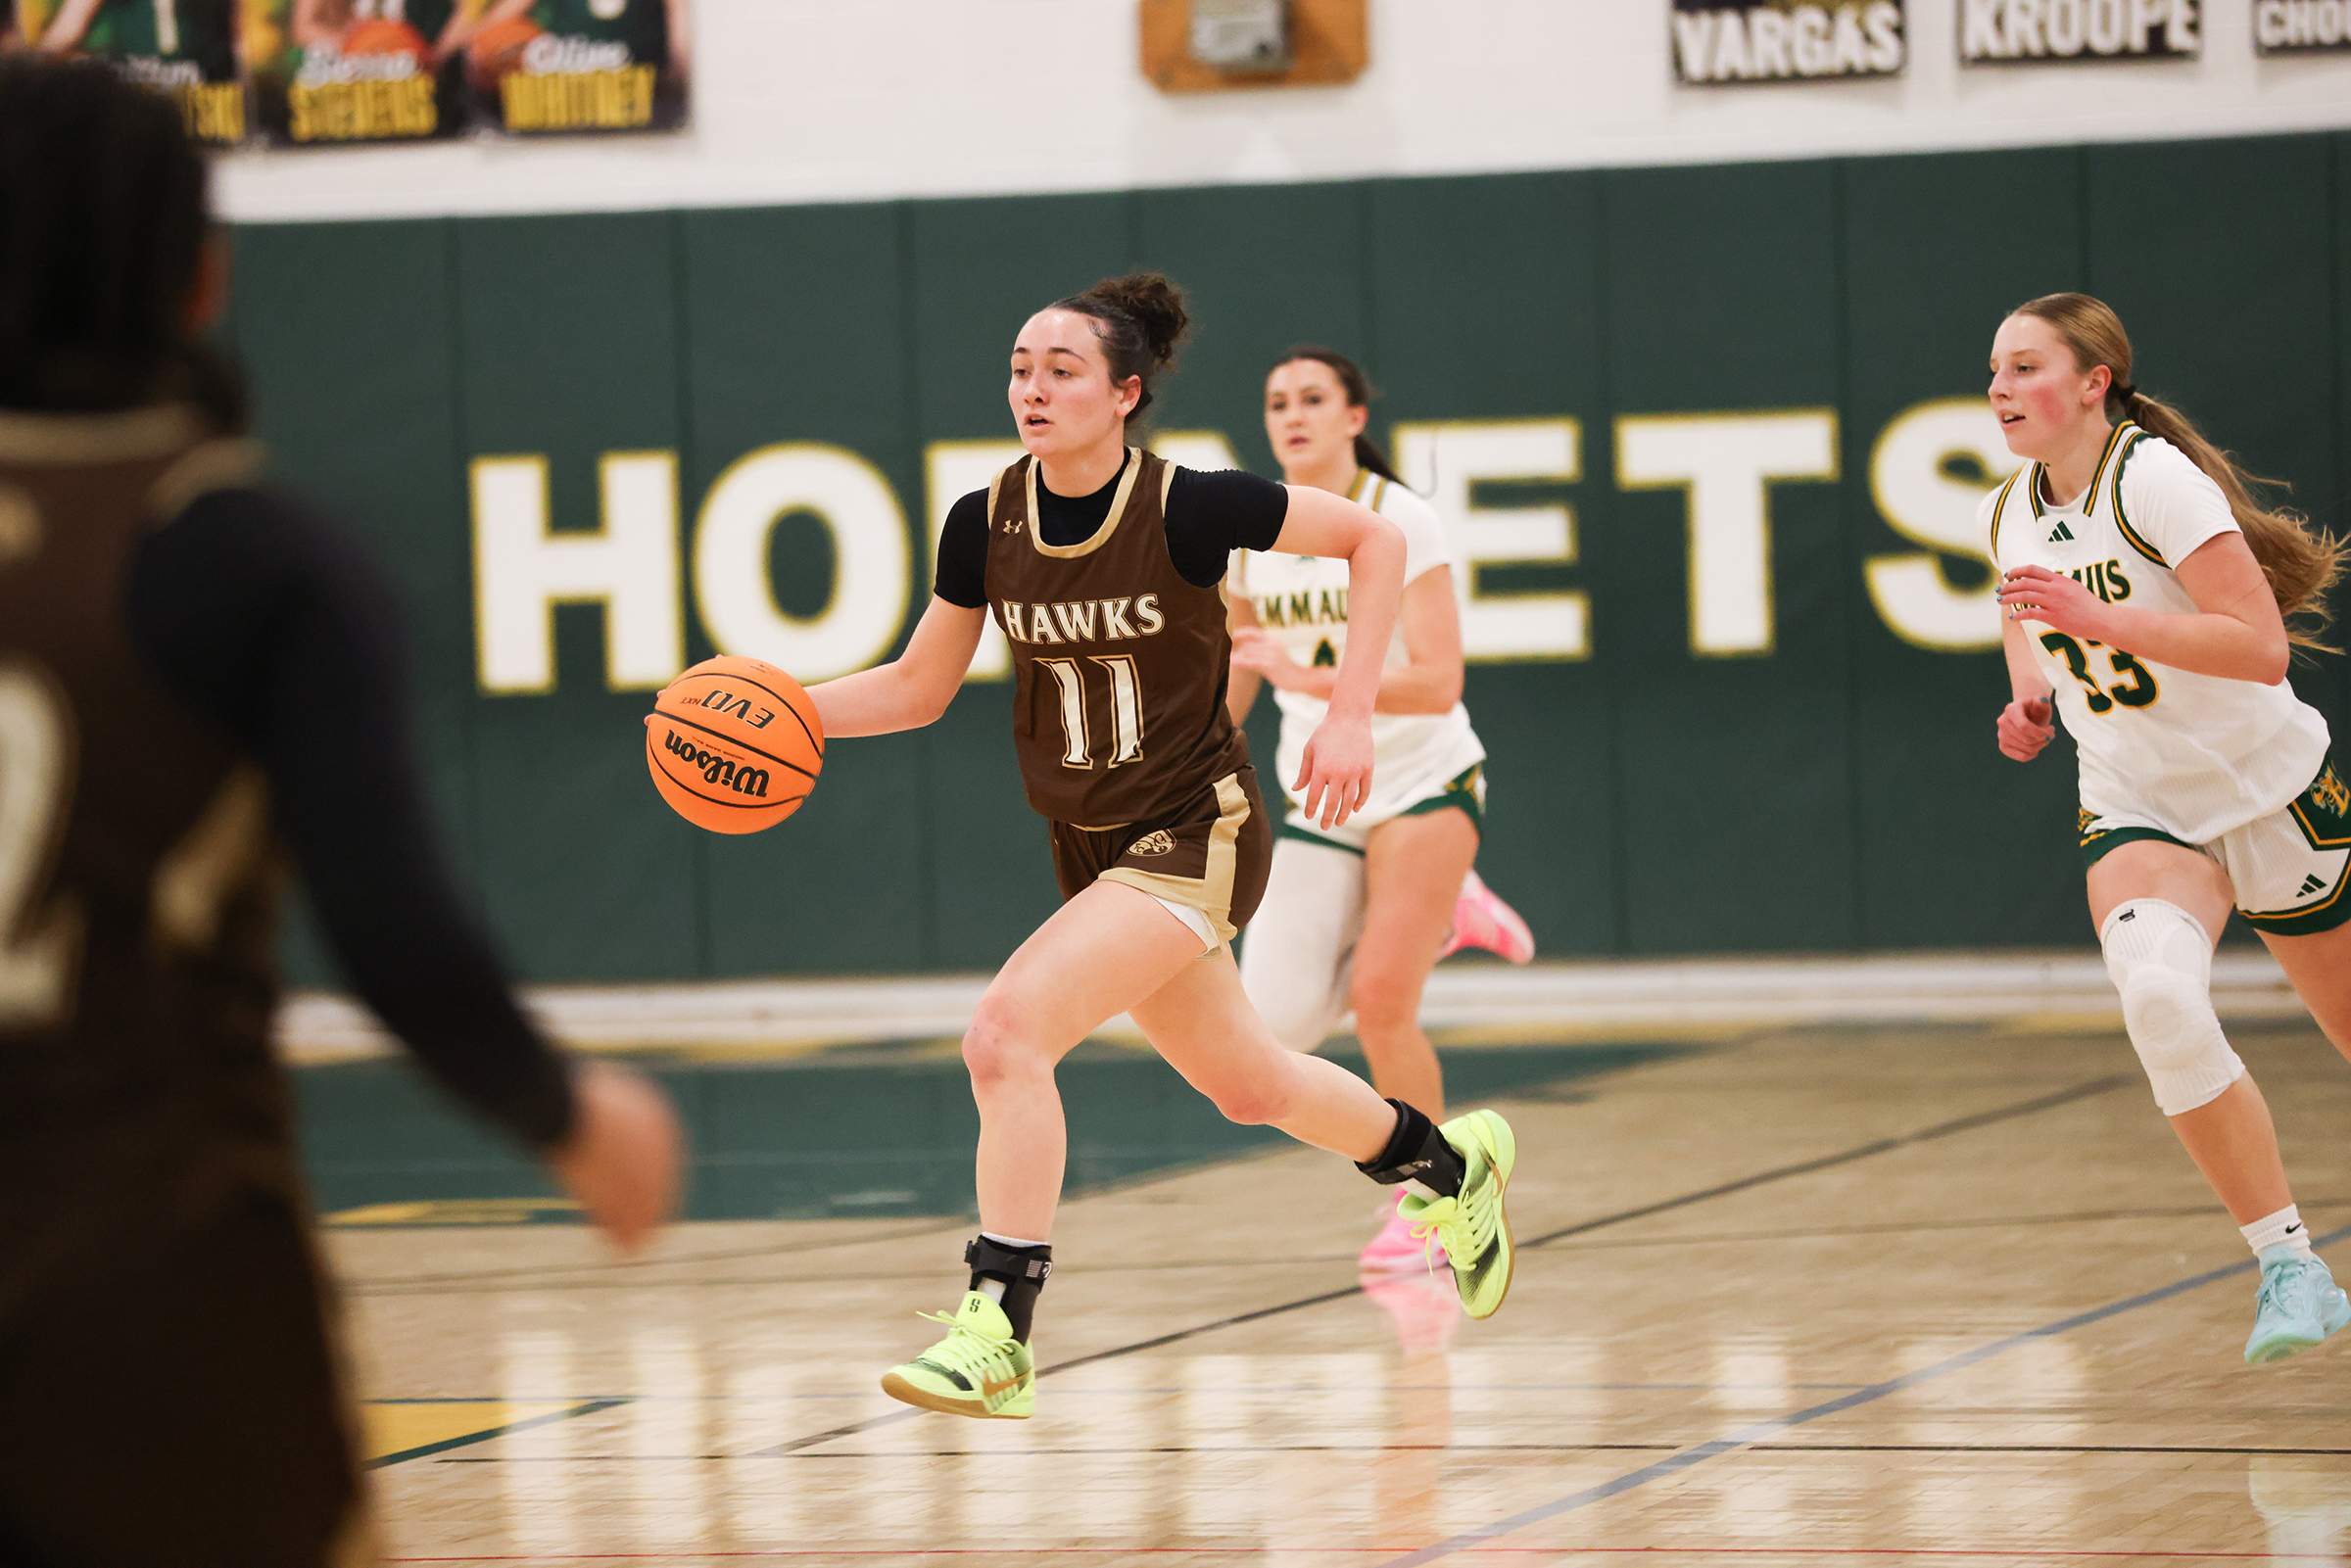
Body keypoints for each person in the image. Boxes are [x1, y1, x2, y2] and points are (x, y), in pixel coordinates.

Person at [0, 59, 681, 1562]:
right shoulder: (240, 553)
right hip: (150, 1289)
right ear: (198, 275)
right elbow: (392, 929)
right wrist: (563, 1112)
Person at [805, 272, 1518, 1421]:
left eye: (1063, 369)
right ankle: (1449, 1165)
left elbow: (1376, 540)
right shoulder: (981, 521)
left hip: (1197, 828)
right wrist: (781, 705)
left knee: (1004, 1033)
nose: (1032, 388)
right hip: (1088, 842)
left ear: (1125, 393)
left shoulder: (1193, 506)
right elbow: (916, 686)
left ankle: (998, 1326)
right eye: (1020, 368)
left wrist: (1346, 706)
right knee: (1251, 1082)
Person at [1987, 291, 2351, 1364]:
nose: (2001, 390)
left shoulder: (2151, 476)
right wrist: (2033, 696)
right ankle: (2291, 1262)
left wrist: (2107, 620)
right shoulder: (2005, 507)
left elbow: (2260, 646)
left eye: (2024, 368)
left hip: (2268, 786)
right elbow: (2028, 614)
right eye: (1994, 372)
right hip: (2140, 796)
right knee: (2156, 994)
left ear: (2093, 381)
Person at [1226, 347, 1534, 1273]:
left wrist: (1308, 676)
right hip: (1321, 792)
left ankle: (1432, 1195)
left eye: (1315, 398)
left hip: (1421, 782)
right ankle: (1448, 910)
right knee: (1269, 1035)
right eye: (1278, 401)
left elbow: (1439, 681)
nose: (1294, 415)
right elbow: (1240, 664)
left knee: (1378, 1008)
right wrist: (1189, 758)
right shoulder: (1250, 528)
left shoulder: (1400, 517)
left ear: (1355, 415)